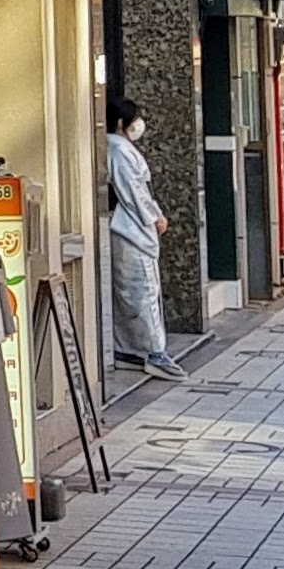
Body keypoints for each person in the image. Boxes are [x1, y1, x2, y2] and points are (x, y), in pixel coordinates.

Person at [104, 98, 186, 380]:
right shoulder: (117, 150)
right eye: (135, 118)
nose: (140, 124)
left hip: (130, 226)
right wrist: (153, 217)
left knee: (133, 291)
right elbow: (134, 191)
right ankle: (153, 351)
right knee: (141, 290)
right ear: (121, 123)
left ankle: (131, 348)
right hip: (129, 228)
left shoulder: (119, 148)